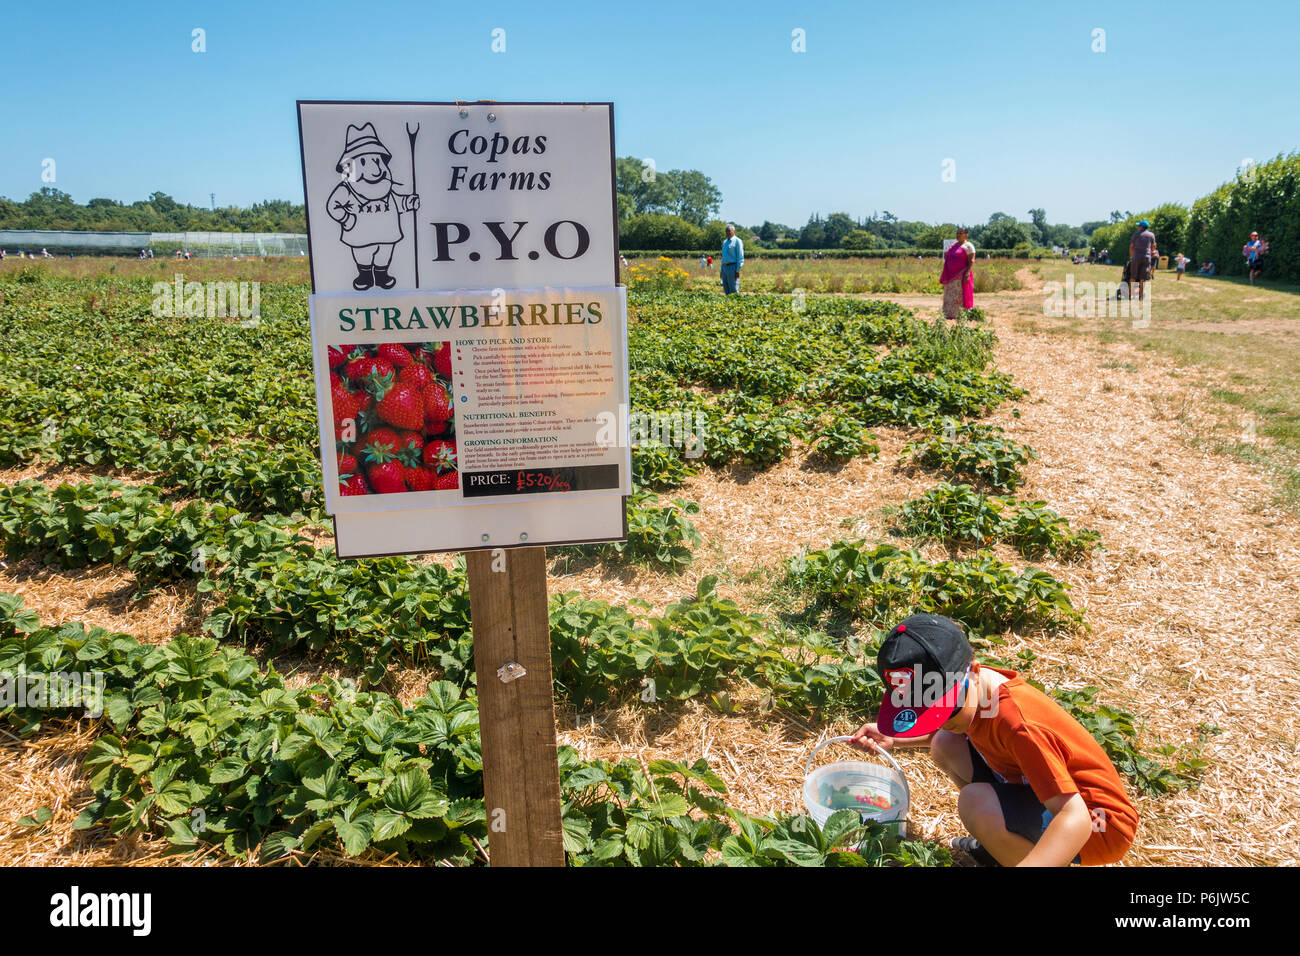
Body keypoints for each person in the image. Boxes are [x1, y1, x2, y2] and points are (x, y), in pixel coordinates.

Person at [849, 614, 1138, 867]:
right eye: (925, 713)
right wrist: (897, 740)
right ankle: (1004, 844)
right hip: (1042, 792)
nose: (942, 721)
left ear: (973, 671)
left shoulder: (1019, 726)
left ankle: (1023, 855)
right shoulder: (978, 693)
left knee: (976, 804)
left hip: (1098, 823)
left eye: (945, 711)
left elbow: (1075, 818)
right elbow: (955, 728)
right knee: (946, 743)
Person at [939, 227, 976, 319]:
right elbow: (947, 256)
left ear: (966, 235)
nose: (958, 235)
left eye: (960, 233)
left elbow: (971, 261)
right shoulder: (953, 245)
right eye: (957, 233)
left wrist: (967, 273)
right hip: (950, 275)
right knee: (950, 294)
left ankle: (960, 314)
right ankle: (948, 313)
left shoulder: (968, 246)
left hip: (961, 275)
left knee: (959, 295)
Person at [1128, 220, 1155, 301]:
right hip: (1146, 257)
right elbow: (1153, 246)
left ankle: (1130, 294)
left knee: (1133, 276)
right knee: (1143, 277)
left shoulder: (1136, 234)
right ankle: (1140, 295)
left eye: (1139, 226)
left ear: (1141, 227)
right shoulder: (1151, 235)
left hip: (1136, 257)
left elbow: (1132, 246)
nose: (1138, 227)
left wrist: (1131, 256)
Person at [720, 224, 744, 295]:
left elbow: (740, 256)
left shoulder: (737, 241)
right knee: (726, 289)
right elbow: (723, 257)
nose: (727, 233)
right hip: (724, 267)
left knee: (733, 289)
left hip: (732, 267)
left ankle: (735, 305)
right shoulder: (725, 242)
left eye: (729, 231)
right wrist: (721, 270)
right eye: (726, 231)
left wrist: (737, 270)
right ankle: (728, 304)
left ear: (734, 231)